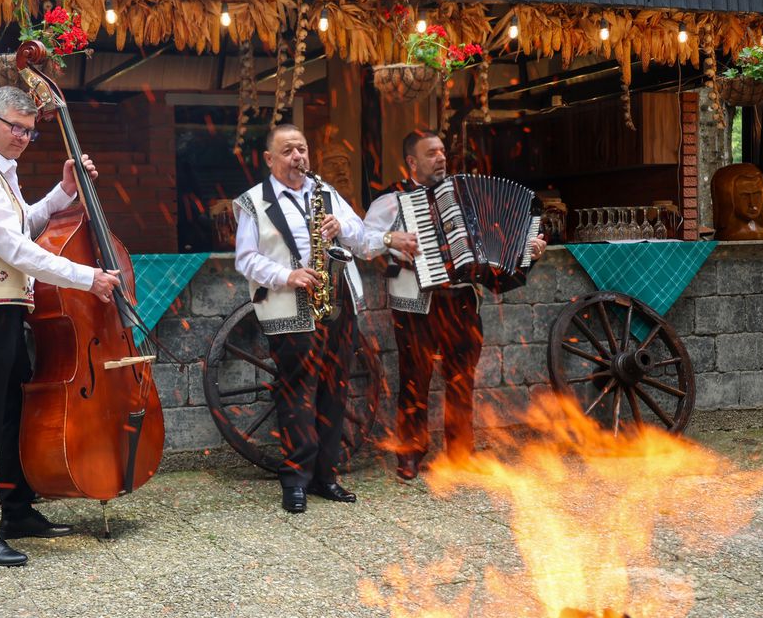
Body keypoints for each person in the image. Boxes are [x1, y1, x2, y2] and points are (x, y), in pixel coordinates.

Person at [0, 86, 122, 566]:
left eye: (29, 130)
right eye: (15, 127)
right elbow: (16, 251)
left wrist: (65, 189)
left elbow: (25, 224)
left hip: (3, 306)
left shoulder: (0, 170)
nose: (23, 136)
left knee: (13, 415)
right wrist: (88, 278)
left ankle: (17, 511)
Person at [358, 130, 547, 479]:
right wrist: (391, 239)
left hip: (462, 300)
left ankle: (460, 453)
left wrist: (526, 253)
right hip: (416, 304)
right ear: (412, 162)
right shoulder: (392, 198)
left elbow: (497, 242)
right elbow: (363, 243)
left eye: (443, 151)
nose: (441, 158)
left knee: (462, 380)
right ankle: (411, 452)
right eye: (431, 153)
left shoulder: (466, 196)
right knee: (414, 379)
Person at [232, 123, 369, 513]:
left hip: (337, 304)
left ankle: (325, 476)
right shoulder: (252, 201)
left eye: (303, 150)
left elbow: (362, 237)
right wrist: (287, 276)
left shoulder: (326, 193)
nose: (298, 158)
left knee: (334, 390)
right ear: (270, 159)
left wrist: (343, 226)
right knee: (296, 394)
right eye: (289, 151)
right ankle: (295, 479)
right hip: (289, 307)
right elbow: (246, 259)